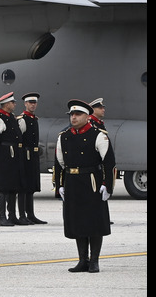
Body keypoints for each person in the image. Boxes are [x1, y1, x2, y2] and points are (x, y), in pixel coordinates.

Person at [53, 99, 116, 273]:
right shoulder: (64, 136)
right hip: (72, 182)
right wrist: (59, 185)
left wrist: (107, 186)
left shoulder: (98, 135)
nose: (73, 117)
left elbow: (109, 162)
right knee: (77, 222)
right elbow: (59, 163)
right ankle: (83, 260)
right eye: (71, 114)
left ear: (87, 116)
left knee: (94, 222)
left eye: (77, 114)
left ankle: (94, 261)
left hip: (92, 182)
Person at [0, 92, 24, 226]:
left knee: (13, 186)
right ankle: (2, 217)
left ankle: (12, 215)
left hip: (13, 154)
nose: (14, 104)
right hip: (5, 154)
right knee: (3, 187)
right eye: (12, 102)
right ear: (6, 104)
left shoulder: (10, 117)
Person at [18, 93, 47, 224]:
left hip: (33, 156)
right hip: (25, 156)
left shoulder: (34, 119)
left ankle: (30, 214)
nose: (33, 104)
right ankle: (22, 214)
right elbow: (18, 140)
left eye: (34, 102)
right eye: (30, 102)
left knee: (31, 186)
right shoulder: (23, 120)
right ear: (25, 104)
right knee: (23, 187)